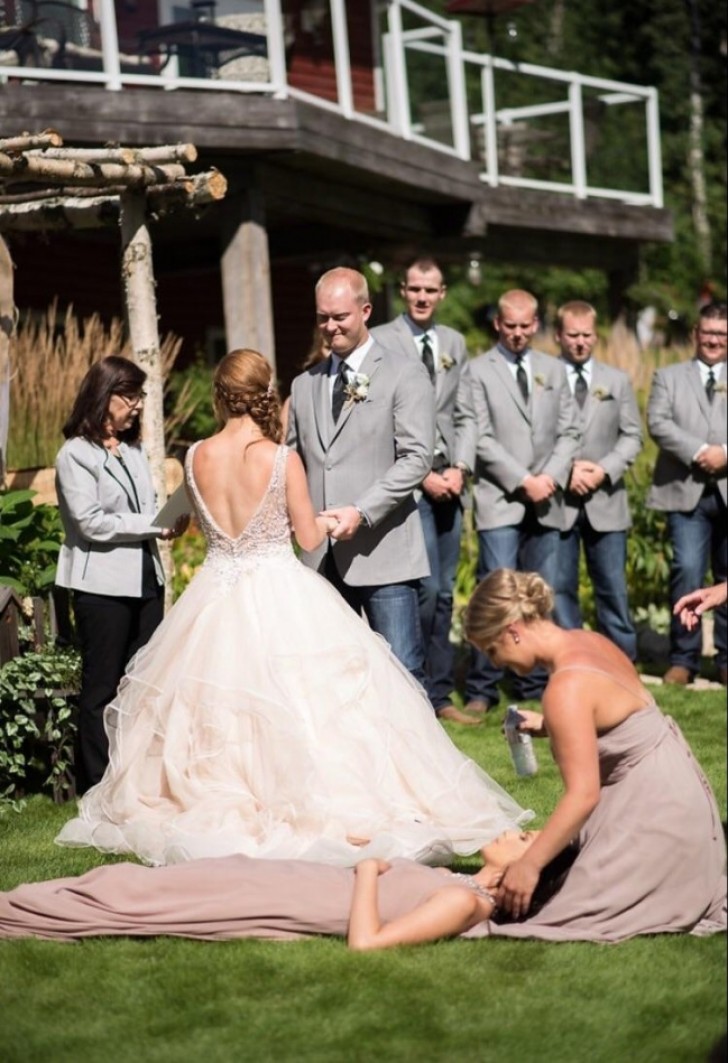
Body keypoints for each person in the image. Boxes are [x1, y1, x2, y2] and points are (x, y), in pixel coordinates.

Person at [56, 349, 531, 868]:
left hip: (214, 596)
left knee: (215, 709)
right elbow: (307, 537)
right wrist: (333, 521)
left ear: (220, 394)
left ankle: (220, 795)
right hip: (278, 589)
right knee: (307, 704)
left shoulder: (194, 457)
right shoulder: (281, 459)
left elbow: (191, 521)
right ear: (267, 395)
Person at [461, 568, 726, 943]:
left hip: (659, 813)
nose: (495, 663)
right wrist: (550, 725)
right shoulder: (586, 640)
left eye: (492, 650)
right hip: (682, 794)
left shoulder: (564, 688)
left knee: (575, 906)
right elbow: (612, 712)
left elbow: (584, 795)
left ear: (513, 631)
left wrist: (528, 865)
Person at [286, 267, 435, 690]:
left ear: (365, 310)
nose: (330, 327)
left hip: (384, 550)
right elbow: (295, 462)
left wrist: (363, 511)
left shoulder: (405, 372)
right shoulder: (303, 385)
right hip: (320, 556)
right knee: (332, 677)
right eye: (322, 318)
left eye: (340, 317)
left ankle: (412, 759)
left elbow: (416, 457)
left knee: (403, 674)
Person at [1, 831, 538, 946]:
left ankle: (24, 909)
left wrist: (370, 872)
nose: (525, 833)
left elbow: (368, 943)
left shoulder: (466, 901)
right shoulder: (464, 882)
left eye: (534, 841)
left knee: (149, 894)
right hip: (297, 879)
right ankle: (45, 897)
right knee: (158, 880)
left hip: (298, 898)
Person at [54, 356, 188, 794]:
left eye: (139, 397)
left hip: (146, 581)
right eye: (128, 396)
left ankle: (137, 780)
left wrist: (173, 517)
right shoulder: (74, 454)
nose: (136, 405)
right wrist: (153, 523)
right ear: (102, 395)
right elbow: (90, 522)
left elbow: (143, 512)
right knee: (102, 689)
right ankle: (96, 786)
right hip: (102, 589)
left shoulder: (132, 452)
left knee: (144, 685)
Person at [371, 256, 478, 726]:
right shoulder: (383, 340)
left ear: (442, 293)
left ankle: (440, 692)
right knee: (423, 589)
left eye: (430, 290)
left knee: (446, 591)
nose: (422, 297)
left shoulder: (454, 342)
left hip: (450, 481)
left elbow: (466, 413)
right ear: (403, 290)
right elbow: (379, 418)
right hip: (410, 484)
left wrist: (460, 467)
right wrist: (421, 475)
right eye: (414, 289)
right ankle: (408, 690)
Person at [464, 290, 580, 712]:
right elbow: (480, 435)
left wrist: (549, 476)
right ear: (498, 323)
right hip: (500, 497)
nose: (516, 333)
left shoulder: (554, 369)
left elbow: (570, 431)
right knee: (494, 590)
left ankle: (534, 686)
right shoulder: (477, 370)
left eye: (524, 326)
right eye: (509, 326)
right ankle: (482, 686)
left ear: (536, 324)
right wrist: (523, 479)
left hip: (548, 497)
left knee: (539, 593)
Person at [553, 300, 642, 660]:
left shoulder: (616, 380)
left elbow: (633, 436)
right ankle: (570, 663)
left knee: (613, 588)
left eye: (587, 335)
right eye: (572, 334)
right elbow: (538, 438)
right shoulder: (545, 378)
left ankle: (622, 662)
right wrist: (566, 471)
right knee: (559, 588)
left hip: (606, 499)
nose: (579, 342)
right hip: (558, 502)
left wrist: (603, 469)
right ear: (558, 335)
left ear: (596, 336)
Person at [647, 301, 727, 687]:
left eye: (721, 334)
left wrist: (724, 454)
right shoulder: (669, 375)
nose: (714, 340)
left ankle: (726, 659)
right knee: (688, 571)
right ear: (696, 334)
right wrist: (699, 452)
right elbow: (658, 423)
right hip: (685, 491)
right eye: (708, 332)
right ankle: (683, 658)